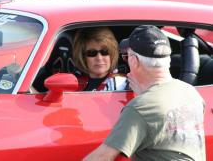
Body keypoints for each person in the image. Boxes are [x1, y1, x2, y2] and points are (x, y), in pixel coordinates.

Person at [83, 25, 205, 161]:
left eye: (127, 56)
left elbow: (102, 158)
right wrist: (144, 94)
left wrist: (143, 99)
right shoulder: (191, 93)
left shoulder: (140, 108)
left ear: (134, 61)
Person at [73, 27, 128, 91]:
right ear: (83, 57)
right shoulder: (75, 85)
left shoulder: (124, 84)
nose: (99, 58)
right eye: (92, 53)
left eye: (105, 52)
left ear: (112, 54)